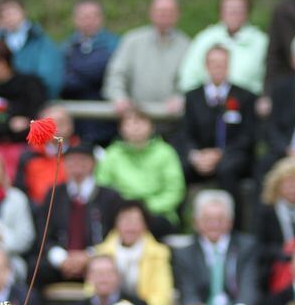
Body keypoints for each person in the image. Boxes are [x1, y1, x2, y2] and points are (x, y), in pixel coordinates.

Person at [173, 189, 260, 305]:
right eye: (207, 219)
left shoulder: (246, 247)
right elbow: (188, 293)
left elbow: (249, 285)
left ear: (230, 222)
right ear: (196, 222)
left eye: (220, 219)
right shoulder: (184, 254)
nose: (214, 225)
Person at [177, 45, 257, 194]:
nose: (218, 67)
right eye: (213, 63)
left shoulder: (245, 96)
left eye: (222, 63)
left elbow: (248, 135)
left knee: (227, 168)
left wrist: (220, 154)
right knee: (180, 168)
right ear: (206, 66)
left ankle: (233, 215)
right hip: (200, 157)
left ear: (228, 66)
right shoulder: (193, 97)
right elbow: (185, 132)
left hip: (233, 156)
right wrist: (196, 156)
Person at [37, 143, 122, 283]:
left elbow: (114, 234)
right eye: (71, 160)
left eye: (82, 160)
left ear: (93, 164)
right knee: (36, 270)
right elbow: (44, 233)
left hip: (98, 258)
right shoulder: (54, 194)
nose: (77, 165)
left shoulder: (109, 196)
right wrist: (62, 258)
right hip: (61, 260)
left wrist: (89, 255)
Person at [96, 108, 185, 234]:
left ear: (152, 127)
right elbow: (103, 187)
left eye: (140, 122)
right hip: (120, 213)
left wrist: (144, 209)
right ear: (121, 129)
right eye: (129, 123)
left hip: (158, 213)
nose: (135, 127)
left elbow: (175, 190)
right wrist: (125, 210)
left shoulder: (165, 152)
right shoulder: (112, 154)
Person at [94, 200, 176, 305]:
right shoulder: (102, 252)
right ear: (115, 223)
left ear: (145, 225)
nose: (130, 227)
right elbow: (91, 290)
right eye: (125, 221)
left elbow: (163, 299)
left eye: (136, 221)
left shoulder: (159, 253)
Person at [104, 0, 190, 116]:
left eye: (169, 11)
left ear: (177, 15)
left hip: (172, 119)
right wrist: (119, 97)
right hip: (135, 120)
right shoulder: (132, 40)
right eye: (160, 11)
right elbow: (116, 73)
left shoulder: (187, 46)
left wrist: (181, 98)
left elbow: (192, 81)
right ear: (151, 13)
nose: (164, 15)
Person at [178, 0, 269, 96]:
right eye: (229, 9)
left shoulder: (260, 41)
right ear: (220, 12)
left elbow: (269, 77)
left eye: (239, 9)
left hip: (247, 104)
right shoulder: (205, 38)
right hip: (208, 102)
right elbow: (189, 75)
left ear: (248, 12)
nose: (234, 13)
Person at [60, 0, 119, 145]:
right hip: (75, 124)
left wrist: (76, 72)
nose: (89, 21)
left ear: (101, 18)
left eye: (93, 16)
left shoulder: (115, 44)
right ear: (75, 19)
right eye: (84, 16)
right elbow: (61, 80)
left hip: (107, 123)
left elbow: (102, 71)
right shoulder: (66, 46)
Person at [0, 39, 47, 149]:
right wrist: (9, 126)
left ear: (1, 64)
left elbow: (38, 119)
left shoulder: (30, 86)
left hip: (28, 147)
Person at [0, 0, 63, 99]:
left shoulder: (42, 42)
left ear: (24, 12)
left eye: (12, 12)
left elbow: (51, 79)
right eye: (4, 14)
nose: (8, 18)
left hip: (34, 102)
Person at [267, 30, 295, 169]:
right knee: (264, 166)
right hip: (289, 151)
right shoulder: (281, 89)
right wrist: (289, 151)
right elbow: (271, 128)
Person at [257, 158, 295, 273]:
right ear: (277, 186)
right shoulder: (267, 212)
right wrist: (285, 253)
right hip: (274, 268)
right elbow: (260, 246)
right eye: (289, 185)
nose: (294, 190)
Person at [15, 103, 78, 205]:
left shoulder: (82, 154)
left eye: (62, 122)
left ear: (71, 126)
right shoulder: (28, 155)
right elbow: (21, 191)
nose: (57, 127)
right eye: (51, 123)